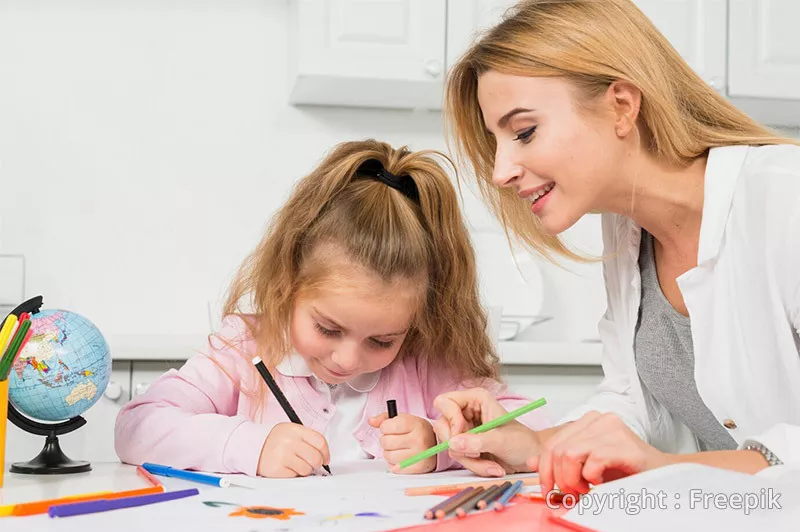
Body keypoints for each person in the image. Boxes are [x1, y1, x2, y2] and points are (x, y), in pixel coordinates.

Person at [434, 0, 800, 495]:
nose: (501, 172)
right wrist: (535, 444)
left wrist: (663, 469)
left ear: (622, 106)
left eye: (524, 132)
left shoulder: (783, 199)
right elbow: (634, 401)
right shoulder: (628, 233)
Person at [114, 139, 549, 478]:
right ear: (287, 284)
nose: (348, 359)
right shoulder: (243, 348)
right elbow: (136, 428)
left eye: (382, 340)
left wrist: (439, 444)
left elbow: (535, 431)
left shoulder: (424, 361)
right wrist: (250, 446)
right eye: (327, 328)